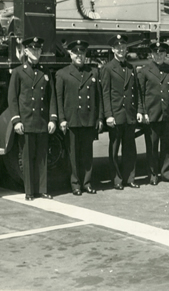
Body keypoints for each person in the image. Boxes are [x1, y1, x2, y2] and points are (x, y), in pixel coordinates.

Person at [8, 37, 57, 201]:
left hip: (42, 121)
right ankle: (29, 191)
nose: (36, 52)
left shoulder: (46, 72)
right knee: (28, 158)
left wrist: (52, 119)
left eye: (38, 49)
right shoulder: (18, 72)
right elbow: (13, 99)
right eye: (32, 49)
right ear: (26, 51)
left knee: (42, 157)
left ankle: (42, 189)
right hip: (27, 122)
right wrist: (16, 120)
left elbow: (51, 98)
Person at [55, 40, 103, 196]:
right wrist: (61, 119)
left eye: (82, 53)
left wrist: (100, 118)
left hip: (89, 119)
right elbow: (59, 99)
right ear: (70, 54)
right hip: (72, 120)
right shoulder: (62, 74)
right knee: (73, 155)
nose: (79, 56)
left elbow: (99, 98)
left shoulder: (93, 72)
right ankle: (75, 184)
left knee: (87, 154)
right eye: (76, 53)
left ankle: (87, 182)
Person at [100, 34, 140, 190]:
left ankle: (130, 178)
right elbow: (106, 93)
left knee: (130, 149)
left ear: (126, 49)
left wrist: (136, 111)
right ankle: (116, 179)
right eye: (118, 48)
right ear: (113, 49)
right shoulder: (107, 68)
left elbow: (135, 92)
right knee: (115, 149)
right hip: (116, 115)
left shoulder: (131, 68)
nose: (121, 50)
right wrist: (108, 115)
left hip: (129, 114)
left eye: (123, 47)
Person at [137, 41, 169, 185]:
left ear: (165, 54)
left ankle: (167, 172)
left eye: (162, 53)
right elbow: (141, 93)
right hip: (152, 114)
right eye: (156, 53)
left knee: (167, 146)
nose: (159, 55)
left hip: (167, 113)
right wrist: (142, 112)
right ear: (152, 54)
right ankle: (153, 174)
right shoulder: (144, 71)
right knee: (152, 146)